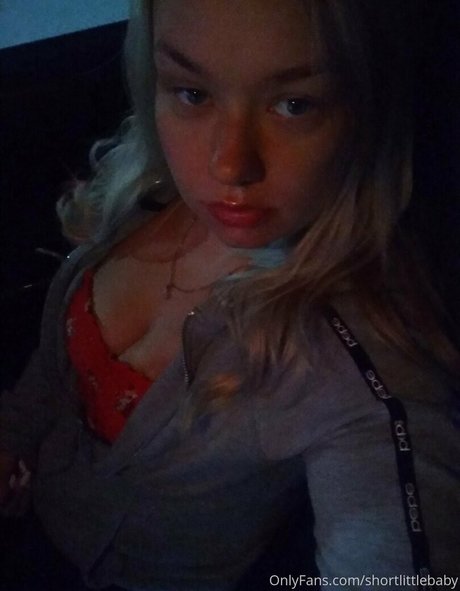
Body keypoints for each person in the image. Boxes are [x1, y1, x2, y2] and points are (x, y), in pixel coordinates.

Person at [1, 0, 459, 589]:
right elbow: (55, 371)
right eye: (193, 93)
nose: (229, 165)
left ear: (368, 106)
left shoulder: (351, 362)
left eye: (294, 105)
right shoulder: (145, 189)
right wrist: (12, 437)